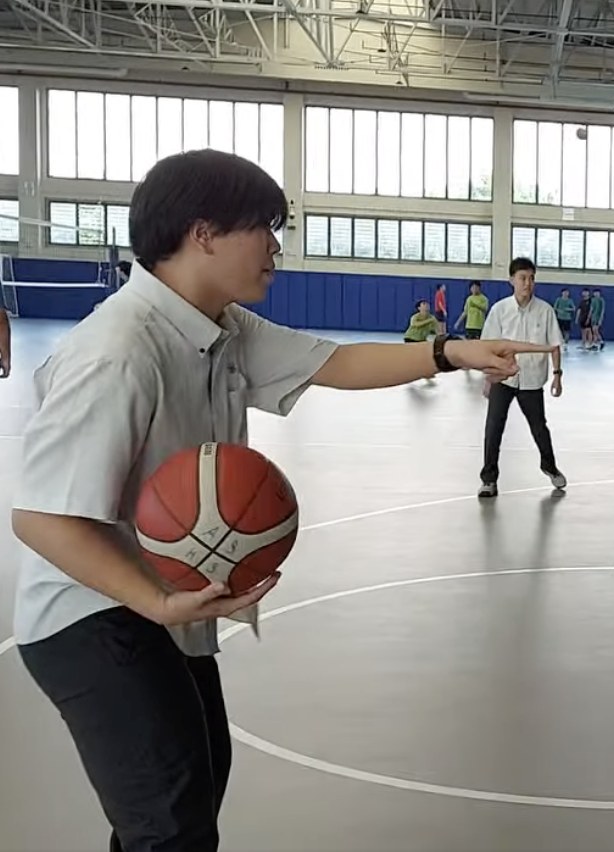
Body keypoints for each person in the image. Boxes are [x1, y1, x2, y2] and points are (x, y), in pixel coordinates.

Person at [8, 149, 549, 851]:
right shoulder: (118, 350)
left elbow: (334, 362)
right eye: (263, 227)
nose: (275, 246)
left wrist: (452, 353)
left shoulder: (221, 325)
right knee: (169, 825)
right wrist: (159, 604)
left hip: (159, 600)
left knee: (187, 800)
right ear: (203, 234)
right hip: (92, 615)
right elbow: (42, 517)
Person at [479, 257, 567, 498]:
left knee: (539, 427)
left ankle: (548, 465)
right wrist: (488, 378)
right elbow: (488, 346)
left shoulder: (545, 310)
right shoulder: (500, 310)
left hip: (532, 380)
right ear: (511, 281)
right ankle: (489, 479)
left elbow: (554, 345)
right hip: (503, 379)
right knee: (493, 428)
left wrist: (557, 375)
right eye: (522, 278)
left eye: (531, 278)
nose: (527, 283)